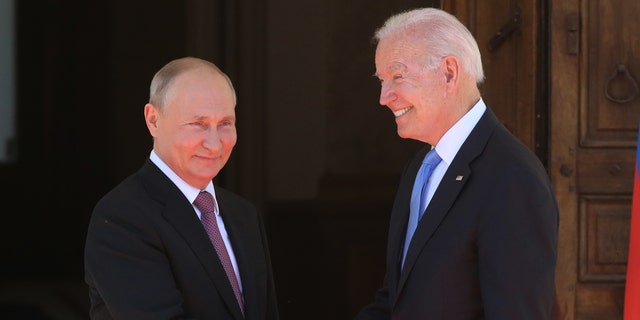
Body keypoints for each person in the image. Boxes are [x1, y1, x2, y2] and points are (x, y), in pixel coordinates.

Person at [355, 8, 559, 320]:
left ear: (449, 72)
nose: (384, 97)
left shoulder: (512, 178)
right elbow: (397, 300)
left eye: (397, 76)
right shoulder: (422, 167)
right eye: (382, 81)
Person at [84, 57, 279, 320]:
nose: (214, 143)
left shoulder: (243, 215)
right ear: (153, 120)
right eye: (198, 124)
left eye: (225, 124)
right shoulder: (122, 217)